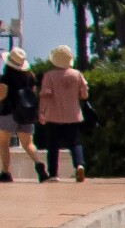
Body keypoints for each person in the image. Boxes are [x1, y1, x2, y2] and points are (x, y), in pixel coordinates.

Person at [35, 46, 87, 181]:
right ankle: (79, 165)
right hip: (73, 115)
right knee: (75, 142)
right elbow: (84, 94)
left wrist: (42, 113)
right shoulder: (77, 74)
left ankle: (53, 174)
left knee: (53, 144)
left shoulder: (49, 76)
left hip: (54, 116)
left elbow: (45, 96)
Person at [0, 48, 36, 182]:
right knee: (28, 144)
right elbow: (32, 93)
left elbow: (2, 95)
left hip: (8, 112)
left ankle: (5, 172)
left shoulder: (6, 77)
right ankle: (40, 165)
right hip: (26, 113)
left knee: (3, 143)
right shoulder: (30, 77)